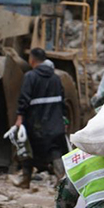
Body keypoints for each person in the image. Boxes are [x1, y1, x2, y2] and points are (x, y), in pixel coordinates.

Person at [13, 48, 69, 188]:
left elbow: (24, 98)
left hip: (35, 121)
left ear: (32, 60)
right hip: (55, 122)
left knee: (28, 148)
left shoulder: (30, 76)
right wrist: (64, 119)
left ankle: (25, 180)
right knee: (55, 150)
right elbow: (62, 101)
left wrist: (19, 117)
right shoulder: (56, 78)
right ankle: (61, 179)